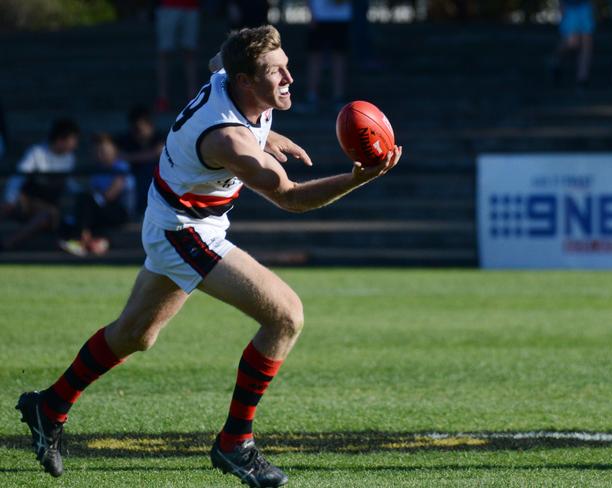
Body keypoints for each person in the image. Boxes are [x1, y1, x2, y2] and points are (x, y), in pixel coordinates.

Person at [16, 25, 401, 487]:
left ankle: (49, 405)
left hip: (179, 214)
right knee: (286, 317)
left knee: (137, 335)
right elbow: (292, 198)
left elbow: (219, 61)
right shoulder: (228, 141)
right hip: (185, 228)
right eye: (275, 71)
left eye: (286, 64)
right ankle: (235, 443)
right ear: (243, 82)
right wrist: (359, 178)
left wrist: (265, 136)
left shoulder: (232, 76)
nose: (289, 79)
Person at [1, 118, 79, 251]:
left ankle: (7, 244)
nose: (75, 145)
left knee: (48, 214)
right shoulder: (37, 152)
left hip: (48, 208)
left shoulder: (70, 159)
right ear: (61, 139)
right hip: (27, 201)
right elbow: (18, 176)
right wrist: (10, 199)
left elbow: (70, 184)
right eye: (73, 140)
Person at [59, 133, 131, 257]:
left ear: (114, 150)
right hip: (100, 210)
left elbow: (110, 195)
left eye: (103, 150)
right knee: (70, 218)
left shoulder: (121, 167)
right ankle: (90, 241)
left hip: (119, 210)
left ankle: (80, 241)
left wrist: (93, 198)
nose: (100, 154)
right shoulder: (97, 170)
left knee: (85, 201)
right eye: (97, 151)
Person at [300, 0, 352, 111]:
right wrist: (311, 13)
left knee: (339, 57)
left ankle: (338, 97)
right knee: (314, 57)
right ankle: (311, 97)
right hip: (319, 16)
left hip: (341, 17)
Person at [116, 105, 165, 216]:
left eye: (139, 128)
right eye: (134, 128)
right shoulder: (126, 140)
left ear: (150, 125)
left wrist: (131, 157)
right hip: (134, 179)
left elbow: (158, 152)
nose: (136, 132)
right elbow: (118, 155)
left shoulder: (160, 137)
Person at [155, 0, 200, 112]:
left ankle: (192, 96)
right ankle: (162, 97)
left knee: (189, 53)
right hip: (168, 5)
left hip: (191, 6)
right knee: (165, 53)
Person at [548, 0, 595, 87]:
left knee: (587, 42)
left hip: (585, 5)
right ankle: (555, 61)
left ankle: (582, 77)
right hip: (569, 6)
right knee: (572, 42)